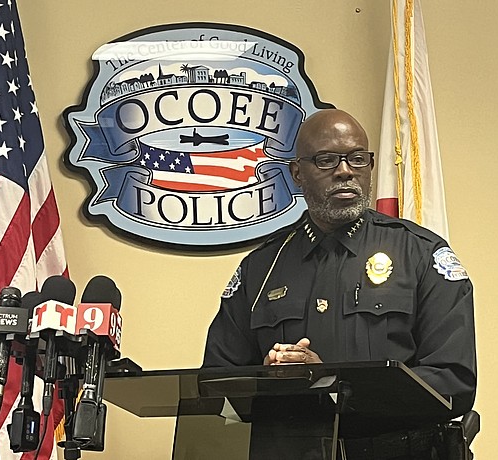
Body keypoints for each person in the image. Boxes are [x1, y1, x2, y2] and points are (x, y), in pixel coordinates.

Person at [202, 109, 477, 456]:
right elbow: (215, 383)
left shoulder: (421, 254)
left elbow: (453, 381)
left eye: (357, 159)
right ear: (297, 173)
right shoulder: (262, 267)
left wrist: (331, 386)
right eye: (327, 160)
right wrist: (270, 383)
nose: (345, 171)